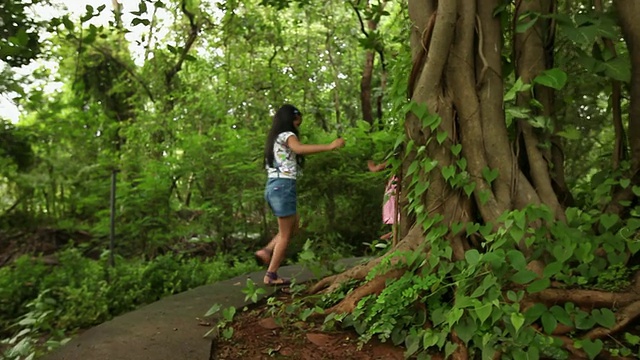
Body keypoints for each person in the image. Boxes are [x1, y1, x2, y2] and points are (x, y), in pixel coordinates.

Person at [255, 104, 345, 285]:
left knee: (294, 225)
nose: (298, 125)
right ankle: (271, 275)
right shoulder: (288, 135)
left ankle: (266, 251)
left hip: (274, 186)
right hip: (282, 187)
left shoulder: (274, 138)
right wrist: (329, 146)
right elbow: (299, 149)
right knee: (286, 235)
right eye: (298, 121)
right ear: (292, 119)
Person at [367, 159, 399, 244]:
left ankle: (395, 232)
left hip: (398, 182)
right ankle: (394, 231)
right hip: (395, 180)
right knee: (392, 201)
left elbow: (392, 161)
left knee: (394, 201)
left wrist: (376, 168)